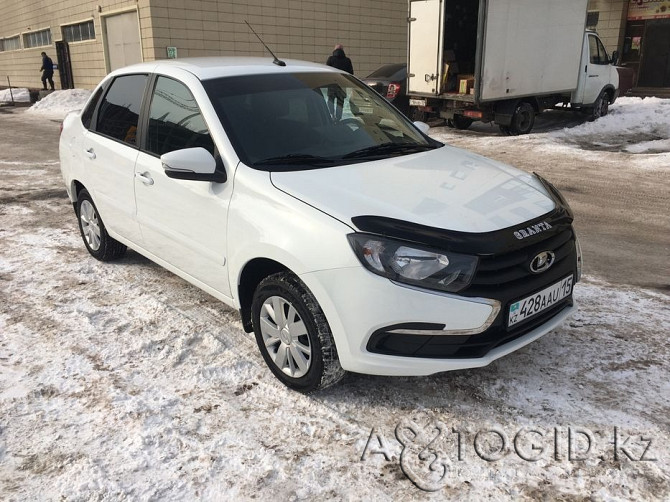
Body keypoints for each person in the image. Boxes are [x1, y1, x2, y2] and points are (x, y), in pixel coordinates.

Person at [325, 44, 353, 121]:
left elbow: (326, 71)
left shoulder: (330, 59)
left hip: (332, 83)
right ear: (342, 51)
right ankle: (338, 118)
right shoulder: (347, 60)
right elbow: (351, 73)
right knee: (340, 102)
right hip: (342, 84)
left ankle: (331, 115)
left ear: (335, 50)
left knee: (330, 100)